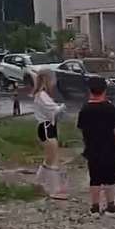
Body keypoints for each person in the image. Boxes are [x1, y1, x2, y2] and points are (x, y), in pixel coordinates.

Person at [77, 76, 115, 214]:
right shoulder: (110, 108)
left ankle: (95, 205)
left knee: (95, 178)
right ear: (105, 90)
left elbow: (81, 128)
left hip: (92, 148)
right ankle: (110, 204)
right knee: (111, 177)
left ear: (90, 91)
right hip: (111, 148)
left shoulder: (85, 109)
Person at [32, 71, 67, 200]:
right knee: (53, 158)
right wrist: (63, 106)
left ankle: (38, 183)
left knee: (49, 158)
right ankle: (54, 189)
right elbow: (53, 110)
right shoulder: (42, 95)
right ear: (47, 80)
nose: (54, 83)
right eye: (52, 80)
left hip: (48, 127)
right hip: (46, 127)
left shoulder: (42, 95)